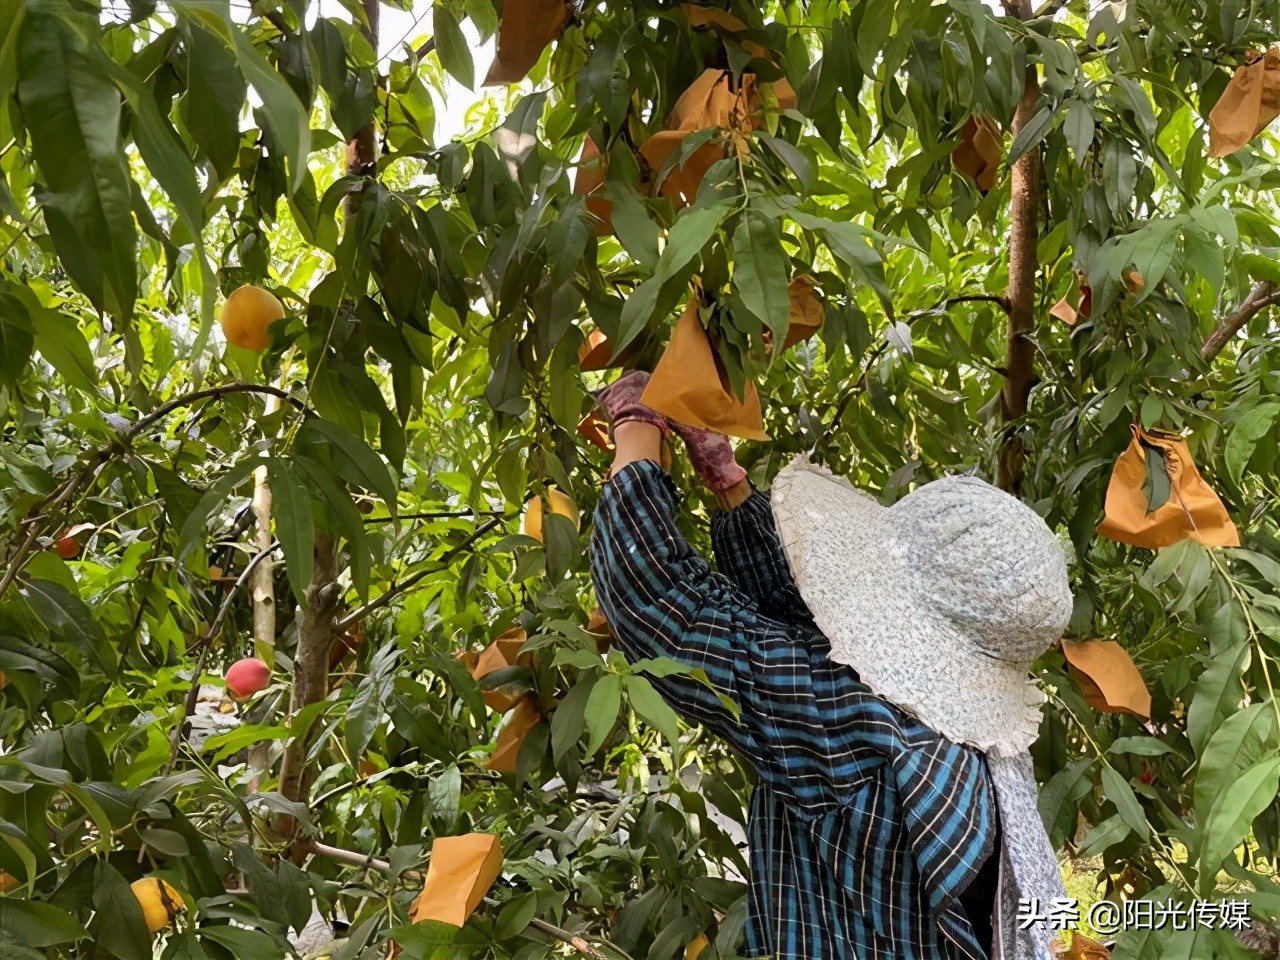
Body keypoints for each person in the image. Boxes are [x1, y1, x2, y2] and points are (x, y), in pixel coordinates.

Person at [589, 371, 1076, 960]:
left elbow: (662, 601)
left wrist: (636, 432)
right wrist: (728, 483)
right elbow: (812, 625)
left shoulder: (864, 728)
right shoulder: (977, 744)